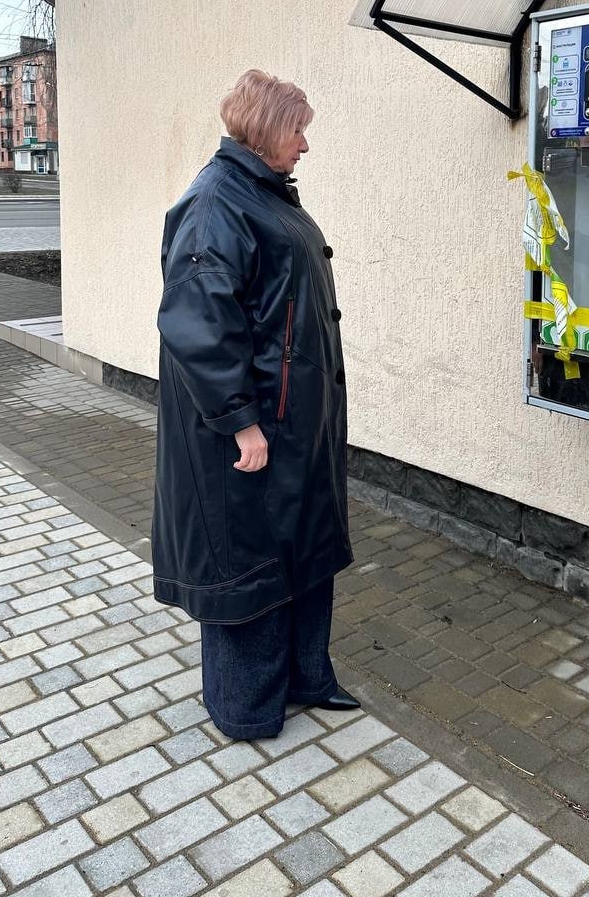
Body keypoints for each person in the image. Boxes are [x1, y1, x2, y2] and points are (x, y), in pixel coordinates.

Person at [151, 68, 357, 739]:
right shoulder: (217, 203)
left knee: (301, 550)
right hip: (253, 428)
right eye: (298, 130)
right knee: (249, 565)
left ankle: (306, 677)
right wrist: (240, 421)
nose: (306, 144)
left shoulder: (262, 194)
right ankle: (246, 707)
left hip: (293, 421)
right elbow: (197, 324)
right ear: (266, 129)